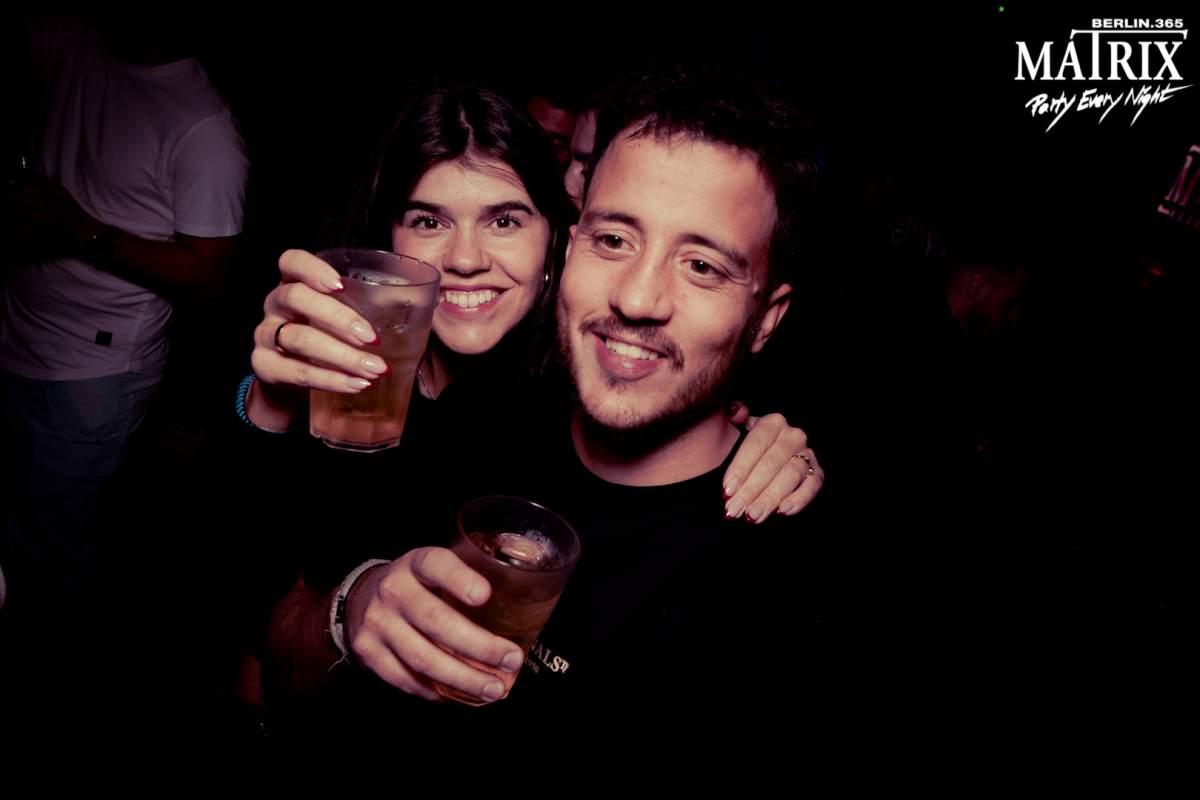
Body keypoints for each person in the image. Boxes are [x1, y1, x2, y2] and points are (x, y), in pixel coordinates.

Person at [255, 65, 826, 736]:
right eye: (614, 239)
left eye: (702, 265)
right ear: (575, 244)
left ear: (766, 319)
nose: (637, 298)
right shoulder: (480, 422)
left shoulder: (786, 578)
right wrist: (350, 610)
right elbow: (278, 640)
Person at [0, 17, 248, 612]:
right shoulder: (75, 44)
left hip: (93, 372)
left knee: (54, 551)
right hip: (14, 329)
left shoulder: (205, 130)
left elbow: (210, 276)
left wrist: (83, 231)